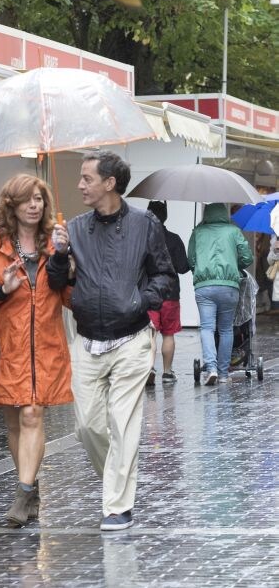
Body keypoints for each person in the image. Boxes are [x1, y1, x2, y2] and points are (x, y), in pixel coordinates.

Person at [48, 150, 174, 531]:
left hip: (132, 339)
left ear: (109, 183)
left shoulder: (144, 223)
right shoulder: (74, 228)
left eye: (87, 178)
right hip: (87, 340)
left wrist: (141, 301)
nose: (80, 184)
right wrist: (58, 255)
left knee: (123, 423)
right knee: (87, 426)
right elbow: (58, 285)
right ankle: (117, 479)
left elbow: (165, 277)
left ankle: (117, 506)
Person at [0, 175, 73, 527]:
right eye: (27, 199)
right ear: (10, 205)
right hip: (6, 351)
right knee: (14, 422)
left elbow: (73, 299)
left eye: (39, 199)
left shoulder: (55, 244)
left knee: (31, 415)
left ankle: (22, 493)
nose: (34, 205)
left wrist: (66, 265)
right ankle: (32, 487)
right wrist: (1, 289)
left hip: (46, 348)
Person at [187, 203, 253, 385]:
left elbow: (191, 260)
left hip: (205, 287)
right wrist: (234, 265)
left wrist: (199, 271)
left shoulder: (198, 232)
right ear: (224, 214)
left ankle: (211, 368)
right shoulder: (233, 231)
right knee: (226, 329)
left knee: (207, 328)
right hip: (229, 287)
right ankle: (223, 374)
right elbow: (247, 257)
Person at [145, 201, 190, 385]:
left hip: (149, 293)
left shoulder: (143, 239)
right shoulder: (174, 239)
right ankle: (167, 372)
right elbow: (183, 267)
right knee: (168, 334)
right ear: (165, 216)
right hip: (170, 293)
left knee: (151, 334)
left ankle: (149, 369)